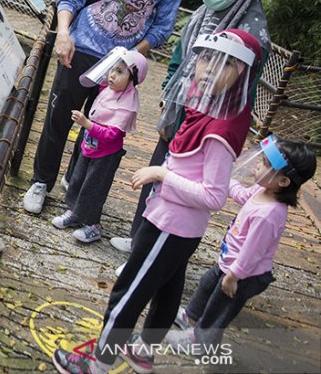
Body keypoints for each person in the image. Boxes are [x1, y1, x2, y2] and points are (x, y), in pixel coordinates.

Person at [51, 29, 263, 374]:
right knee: (167, 289)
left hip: (170, 225)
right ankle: (144, 351)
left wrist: (161, 175)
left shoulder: (221, 129)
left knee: (128, 291)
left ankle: (98, 362)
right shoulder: (210, 113)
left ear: (241, 72)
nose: (208, 67)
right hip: (174, 223)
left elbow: (213, 195)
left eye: (223, 62)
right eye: (205, 58)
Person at [22, 0, 184, 214]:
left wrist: (128, 57)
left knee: (100, 130)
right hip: (78, 51)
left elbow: (163, 27)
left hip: (120, 69)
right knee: (57, 120)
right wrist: (64, 34)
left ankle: (75, 180)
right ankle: (41, 181)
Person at [110, 0, 271, 256]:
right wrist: (170, 98)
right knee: (158, 172)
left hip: (211, 121)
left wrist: (216, 122)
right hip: (182, 108)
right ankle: (140, 239)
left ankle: (158, 247)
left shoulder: (251, 30)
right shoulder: (202, 15)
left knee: (182, 183)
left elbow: (242, 87)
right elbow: (180, 59)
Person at [166, 136, 316, 350]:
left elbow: (252, 252)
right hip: (230, 262)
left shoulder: (269, 215)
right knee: (207, 284)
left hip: (245, 273)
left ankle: (201, 340)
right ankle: (190, 316)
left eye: (265, 164)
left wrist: (234, 276)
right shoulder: (262, 190)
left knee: (220, 308)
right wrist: (224, 178)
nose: (257, 164)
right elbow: (242, 194)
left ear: (283, 181)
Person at [51, 48, 148, 244]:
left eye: (120, 71)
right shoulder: (108, 89)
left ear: (133, 79)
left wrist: (87, 124)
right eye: (112, 69)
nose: (112, 75)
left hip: (105, 154)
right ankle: (75, 213)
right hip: (90, 145)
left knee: (93, 188)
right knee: (77, 179)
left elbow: (113, 134)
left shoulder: (126, 104)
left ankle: (93, 225)